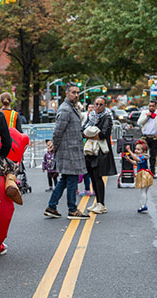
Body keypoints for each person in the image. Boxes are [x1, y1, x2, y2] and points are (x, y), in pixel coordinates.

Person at [43, 83, 89, 220]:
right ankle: (72, 209)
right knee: (72, 179)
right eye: (73, 92)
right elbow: (58, 131)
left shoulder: (71, 108)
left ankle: (52, 207)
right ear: (67, 93)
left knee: (64, 179)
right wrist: (54, 147)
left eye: (77, 93)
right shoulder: (65, 109)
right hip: (68, 151)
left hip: (72, 149)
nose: (76, 95)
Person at [83, 96, 117, 214]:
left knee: (98, 177)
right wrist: (91, 133)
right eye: (96, 104)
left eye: (101, 104)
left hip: (100, 151)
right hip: (90, 151)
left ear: (105, 105)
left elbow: (103, 134)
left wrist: (89, 134)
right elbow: (83, 130)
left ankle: (102, 204)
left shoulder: (107, 117)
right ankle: (97, 202)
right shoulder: (91, 116)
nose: (98, 107)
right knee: (92, 177)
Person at [137, 100, 157, 178]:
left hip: (154, 137)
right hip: (145, 136)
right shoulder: (144, 113)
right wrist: (146, 117)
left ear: (156, 106)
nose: (151, 107)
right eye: (150, 106)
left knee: (153, 156)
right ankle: (143, 171)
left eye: (153, 106)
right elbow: (139, 123)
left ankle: (152, 172)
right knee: (143, 155)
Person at [125, 141, 153, 213]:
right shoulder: (142, 157)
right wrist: (129, 159)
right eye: (135, 149)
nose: (136, 151)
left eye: (138, 149)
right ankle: (144, 205)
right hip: (144, 174)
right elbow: (136, 163)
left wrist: (129, 151)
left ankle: (144, 206)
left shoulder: (143, 156)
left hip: (144, 175)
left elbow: (136, 160)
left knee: (143, 191)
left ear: (143, 151)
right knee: (144, 191)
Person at [79, 103, 95, 197]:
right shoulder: (85, 116)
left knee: (94, 171)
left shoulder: (98, 117)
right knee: (86, 170)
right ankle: (87, 189)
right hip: (85, 145)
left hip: (94, 146)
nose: (91, 109)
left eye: (93, 107)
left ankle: (95, 189)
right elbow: (79, 116)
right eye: (90, 107)